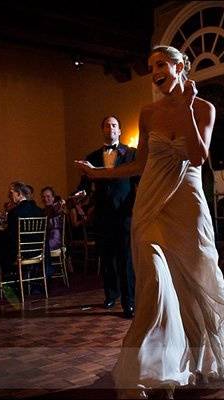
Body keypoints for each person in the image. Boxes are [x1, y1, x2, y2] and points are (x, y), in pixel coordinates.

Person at [75, 45, 224, 398]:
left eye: (161, 65)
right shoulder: (148, 112)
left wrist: (185, 107)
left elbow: (199, 157)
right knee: (152, 285)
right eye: (152, 66)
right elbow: (139, 166)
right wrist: (98, 175)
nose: (155, 72)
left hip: (188, 205)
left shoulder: (203, 108)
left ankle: (201, 364)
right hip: (150, 206)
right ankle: (145, 369)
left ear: (180, 66)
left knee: (196, 286)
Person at [76, 115, 137, 319]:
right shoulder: (92, 156)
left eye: (114, 125)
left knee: (125, 259)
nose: (110, 128)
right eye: (107, 125)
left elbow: (138, 181)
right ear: (102, 130)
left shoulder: (130, 153)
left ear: (119, 131)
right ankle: (111, 295)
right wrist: (79, 194)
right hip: (102, 214)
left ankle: (129, 302)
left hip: (124, 213)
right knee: (107, 257)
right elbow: (84, 184)